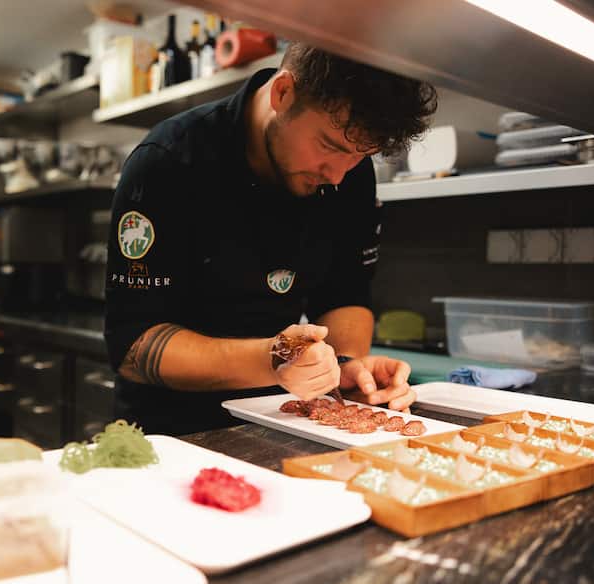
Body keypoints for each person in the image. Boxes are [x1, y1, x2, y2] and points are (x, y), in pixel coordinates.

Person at [104, 44, 438, 435]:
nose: (337, 177)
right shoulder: (169, 160)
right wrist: (273, 359)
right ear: (283, 93)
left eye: (359, 156)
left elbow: (345, 295)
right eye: (329, 147)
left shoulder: (349, 173)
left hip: (284, 420)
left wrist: (344, 366)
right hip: (170, 432)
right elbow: (133, 345)